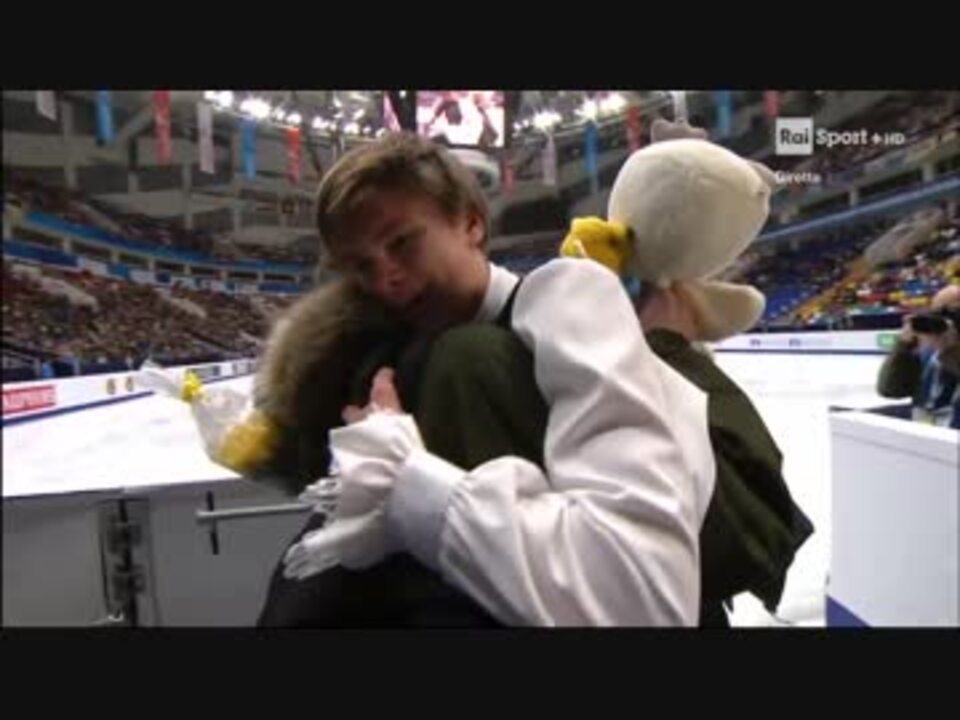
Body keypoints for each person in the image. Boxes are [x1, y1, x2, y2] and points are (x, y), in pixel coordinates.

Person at [256, 132, 715, 626]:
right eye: (362, 266)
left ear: (472, 223)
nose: (385, 278)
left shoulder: (565, 299)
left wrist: (403, 475)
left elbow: (644, 596)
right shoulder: (381, 362)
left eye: (402, 243)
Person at [877, 284, 960, 429]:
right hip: (922, 433)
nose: (944, 320)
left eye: (951, 313)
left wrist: (949, 349)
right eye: (937, 314)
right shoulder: (928, 350)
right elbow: (890, 389)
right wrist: (903, 347)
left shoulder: (947, 349)